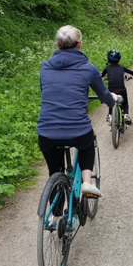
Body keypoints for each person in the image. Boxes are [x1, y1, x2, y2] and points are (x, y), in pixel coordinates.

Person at [36, 25, 118, 197]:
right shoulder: (89, 69)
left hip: (46, 132)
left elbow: (47, 91)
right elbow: (105, 97)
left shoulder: (45, 67)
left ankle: (55, 218)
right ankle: (87, 182)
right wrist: (114, 98)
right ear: (80, 45)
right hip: (77, 131)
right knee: (88, 143)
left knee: (54, 172)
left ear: (57, 45)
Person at [102, 49, 133, 124]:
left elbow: (101, 76)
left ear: (108, 59)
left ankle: (110, 115)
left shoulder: (107, 68)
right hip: (121, 89)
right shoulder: (121, 68)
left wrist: (103, 78)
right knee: (125, 101)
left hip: (111, 89)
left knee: (111, 100)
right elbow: (132, 72)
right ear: (119, 60)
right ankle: (125, 114)